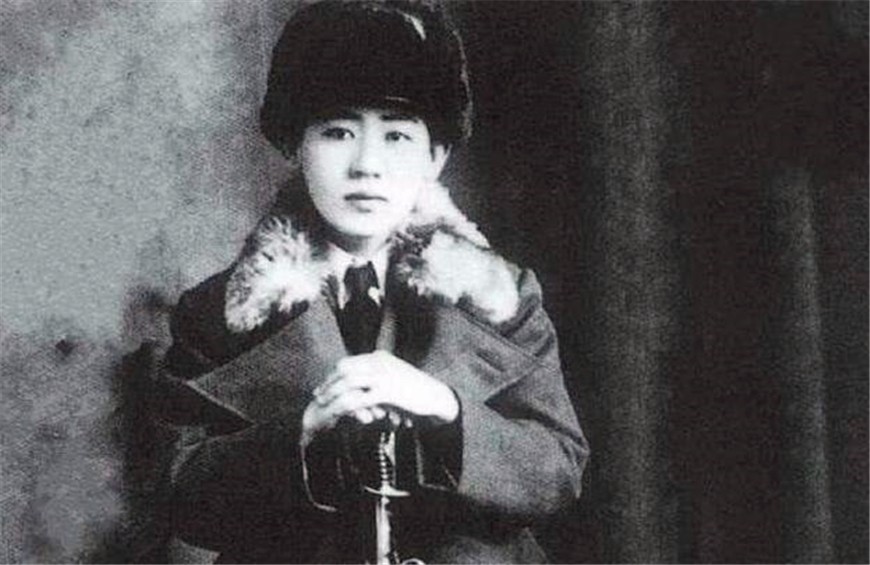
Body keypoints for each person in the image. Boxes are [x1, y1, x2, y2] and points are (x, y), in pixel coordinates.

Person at [153, 1, 589, 562]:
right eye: (337, 132)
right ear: (295, 146)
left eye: (396, 137)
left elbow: (558, 472)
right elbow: (179, 494)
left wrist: (447, 410)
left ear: (435, 157)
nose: (366, 164)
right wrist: (300, 432)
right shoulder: (216, 312)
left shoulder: (502, 299)